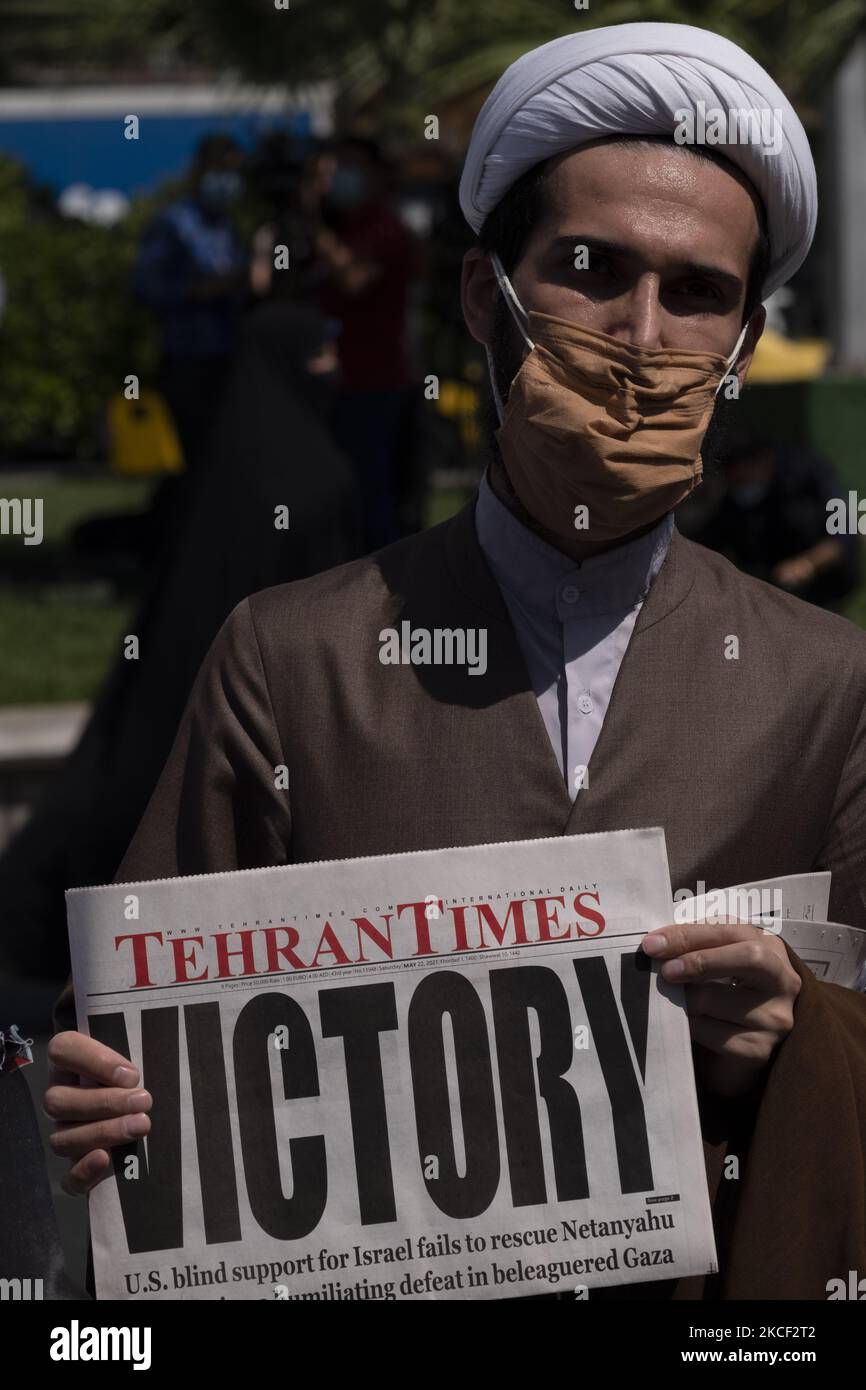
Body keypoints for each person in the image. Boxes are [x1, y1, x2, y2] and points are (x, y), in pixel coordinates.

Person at [47, 23, 866, 1300]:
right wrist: (95, 1101)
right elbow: (156, 1035)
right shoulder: (292, 659)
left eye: (696, 294)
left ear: (742, 349)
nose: (642, 337)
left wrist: (796, 1043)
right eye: (592, 270)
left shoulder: (828, 684)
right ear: (487, 298)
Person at [311, 137, 419, 548]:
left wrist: (312, 224)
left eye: (350, 167)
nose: (340, 179)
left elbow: (354, 280)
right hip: (339, 380)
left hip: (375, 381)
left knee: (371, 491)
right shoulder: (347, 228)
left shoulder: (384, 229)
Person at [690, 439, 860, 608]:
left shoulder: (809, 477)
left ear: (763, 461)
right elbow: (707, 540)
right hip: (768, 590)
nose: (742, 488)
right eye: (736, 482)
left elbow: (845, 535)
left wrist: (807, 564)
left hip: (826, 588)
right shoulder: (733, 500)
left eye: (745, 480)